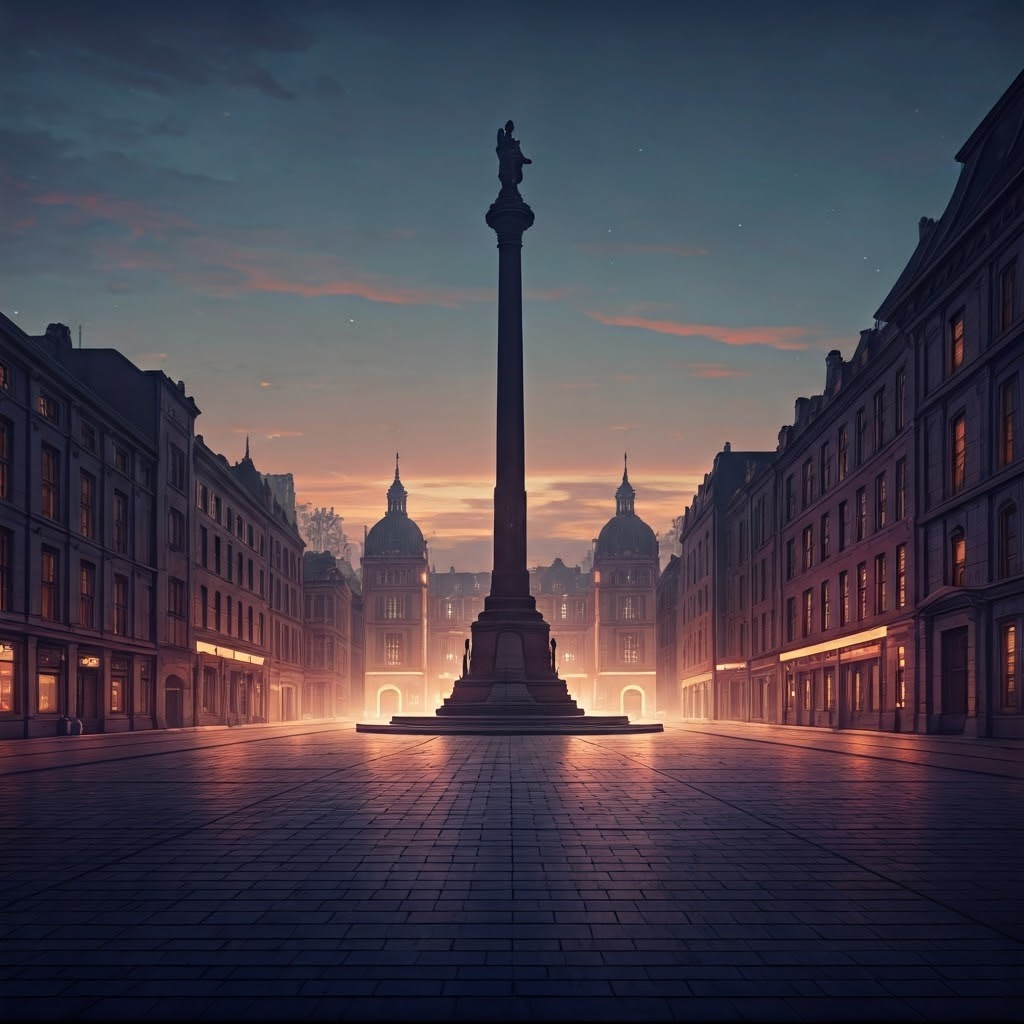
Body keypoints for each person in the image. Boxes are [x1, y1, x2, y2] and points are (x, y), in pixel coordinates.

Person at [496, 119, 531, 188]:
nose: (510, 127)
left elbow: (519, 153)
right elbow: (501, 145)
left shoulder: (515, 142)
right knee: (507, 178)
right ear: (506, 127)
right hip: (506, 162)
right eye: (508, 126)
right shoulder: (503, 136)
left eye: (511, 126)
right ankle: (508, 191)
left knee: (514, 178)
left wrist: (524, 159)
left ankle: (513, 189)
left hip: (514, 163)